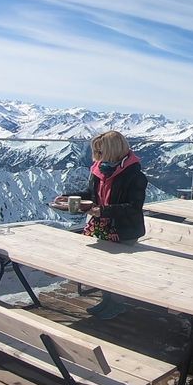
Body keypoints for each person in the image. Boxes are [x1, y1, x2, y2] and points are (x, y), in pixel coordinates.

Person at [54, 130, 147, 319]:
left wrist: (104, 211)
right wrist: (71, 196)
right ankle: (108, 301)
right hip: (102, 224)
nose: (97, 155)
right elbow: (91, 194)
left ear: (112, 150)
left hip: (125, 228)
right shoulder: (99, 170)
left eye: (100, 150)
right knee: (105, 267)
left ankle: (116, 304)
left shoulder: (134, 175)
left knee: (116, 269)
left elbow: (134, 207)